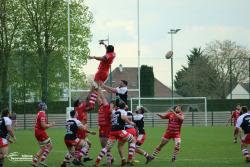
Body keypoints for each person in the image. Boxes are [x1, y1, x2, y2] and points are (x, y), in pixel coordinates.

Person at [94, 100, 137, 167]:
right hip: (119, 130)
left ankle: (96, 162)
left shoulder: (114, 111)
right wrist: (132, 123)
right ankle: (130, 159)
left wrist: (111, 104)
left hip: (112, 131)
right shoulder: (123, 112)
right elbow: (124, 118)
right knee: (133, 140)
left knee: (106, 148)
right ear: (124, 106)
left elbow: (111, 110)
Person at [73, 91, 97, 164]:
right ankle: (77, 159)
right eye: (80, 101)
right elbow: (88, 102)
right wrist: (92, 92)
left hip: (81, 127)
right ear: (79, 104)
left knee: (88, 143)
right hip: (81, 128)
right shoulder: (80, 107)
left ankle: (85, 157)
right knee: (80, 146)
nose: (81, 102)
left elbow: (88, 106)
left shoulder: (77, 108)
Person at [32, 102, 55, 167]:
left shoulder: (39, 113)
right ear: (43, 107)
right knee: (50, 146)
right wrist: (51, 125)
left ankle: (34, 161)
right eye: (45, 105)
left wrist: (48, 125)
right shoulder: (42, 114)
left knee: (43, 148)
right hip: (40, 132)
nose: (46, 106)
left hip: (37, 132)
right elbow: (43, 125)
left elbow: (42, 124)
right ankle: (42, 160)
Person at [97, 89, 114, 166]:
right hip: (101, 127)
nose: (100, 100)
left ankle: (109, 161)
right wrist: (94, 90)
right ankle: (111, 158)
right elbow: (98, 98)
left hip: (107, 127)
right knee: (102, 145)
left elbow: (102, 97)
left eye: (101, 100)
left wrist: (99, 88)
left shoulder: (106, 106)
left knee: (106, 144)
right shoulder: (100, 106)